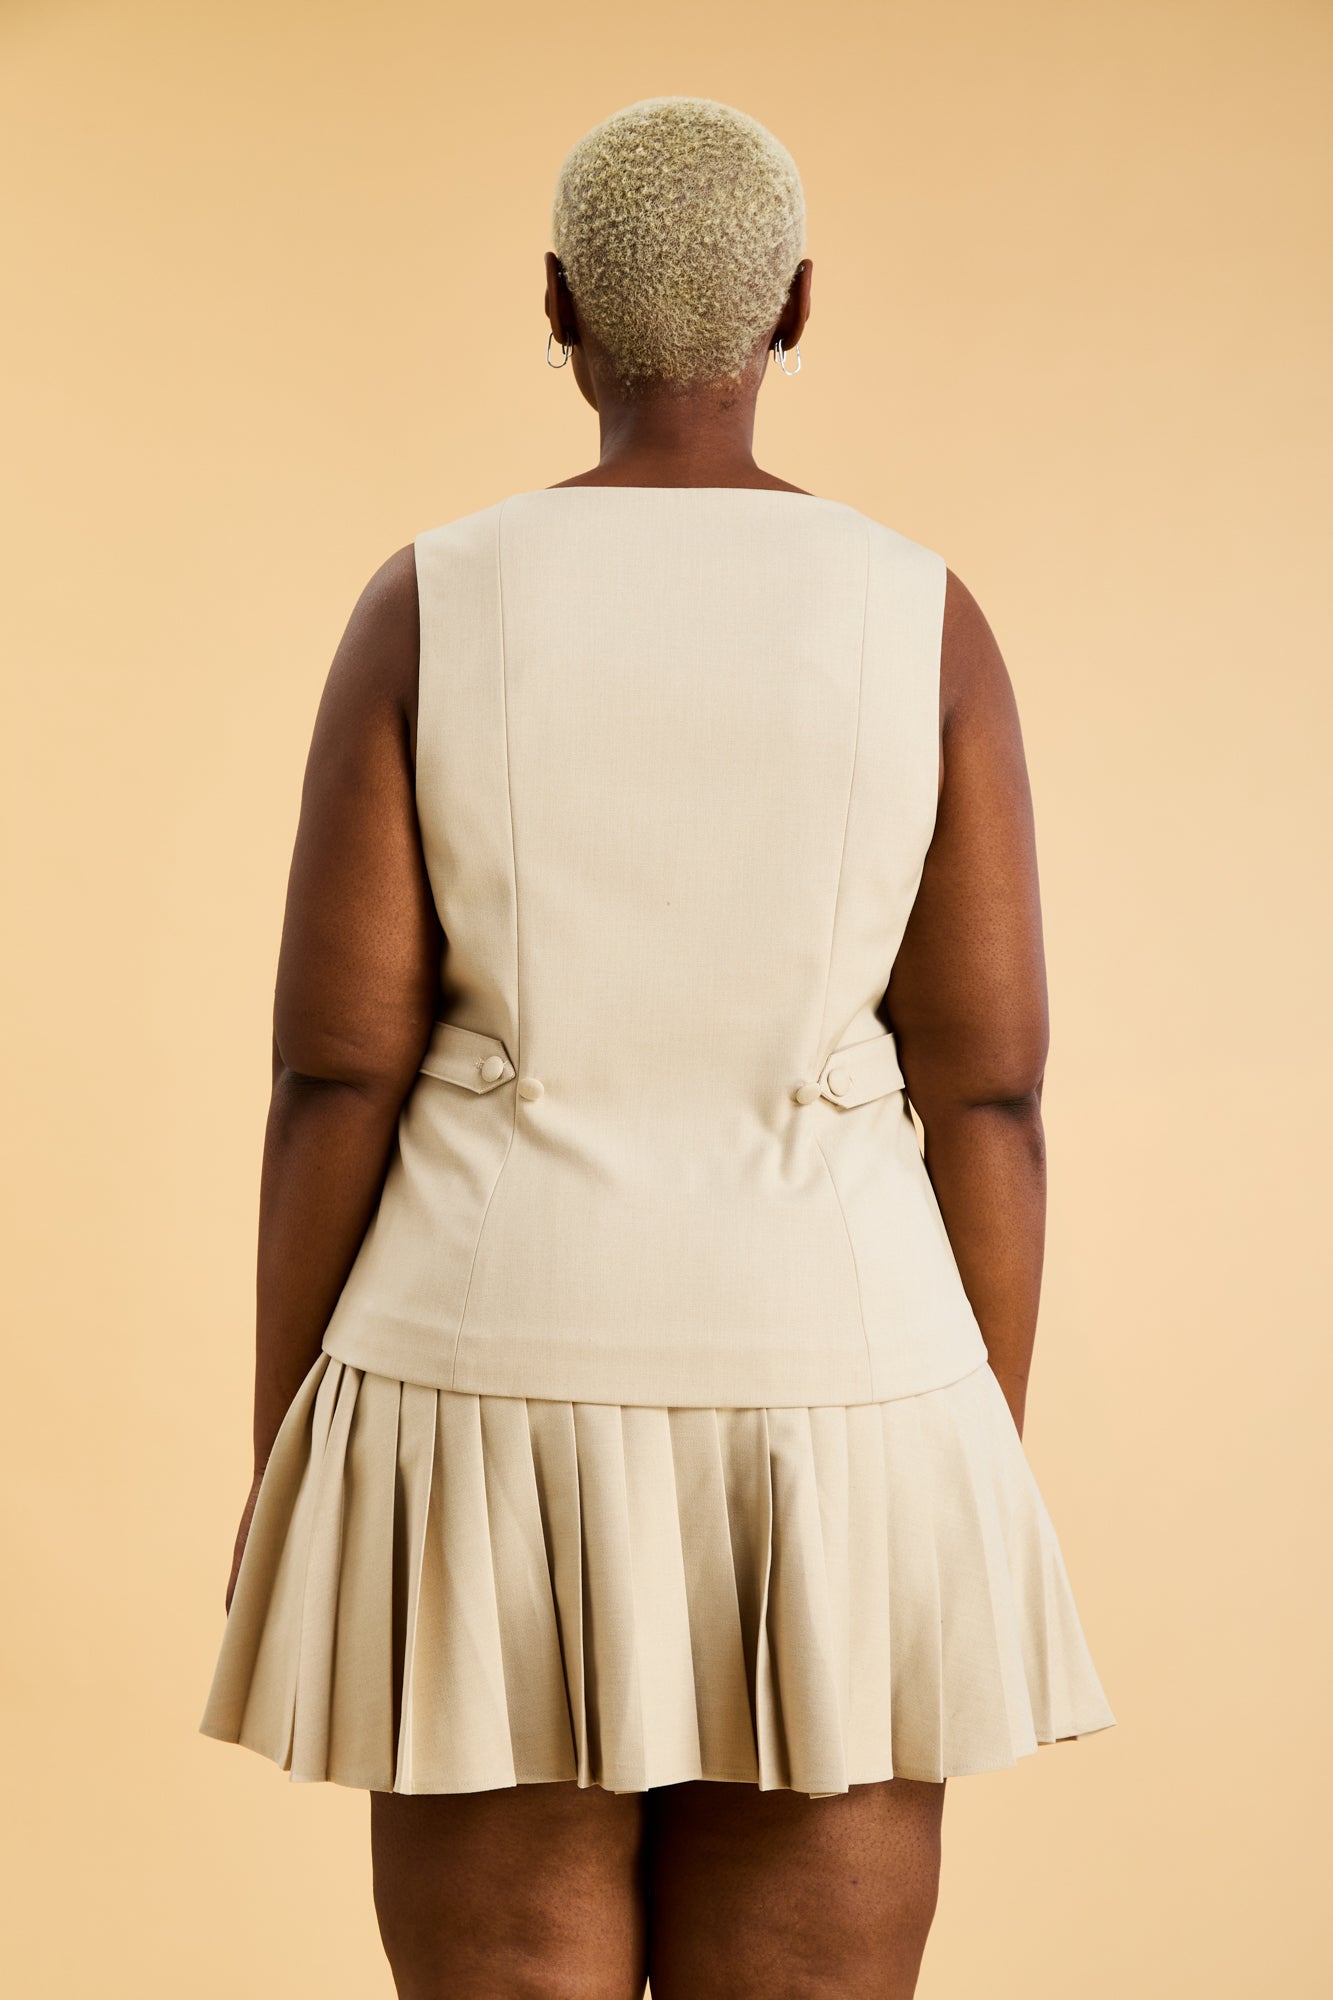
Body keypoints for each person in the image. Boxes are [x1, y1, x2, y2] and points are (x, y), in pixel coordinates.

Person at [199, 94, 1116, 2000]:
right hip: (839, 1383)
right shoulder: (919, 616)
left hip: (473, 1380)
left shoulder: (432, 600)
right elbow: (991, 1089)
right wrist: (968, 1458)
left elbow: (335, 1074)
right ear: (796, 307)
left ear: (557, 305)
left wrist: (283, 1448)